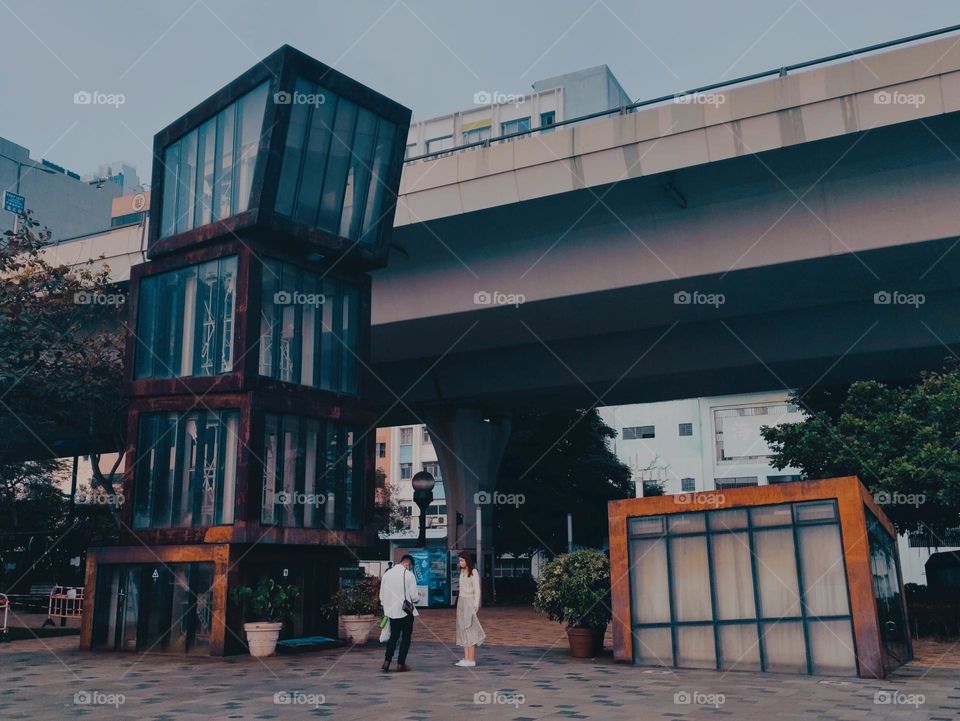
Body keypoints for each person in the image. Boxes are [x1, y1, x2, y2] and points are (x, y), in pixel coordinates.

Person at [379, 554, 420, 672]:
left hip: (391, 611)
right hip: (405, 612)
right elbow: (415, 597)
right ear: (408, 564)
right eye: (410, 567)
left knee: (393, 636)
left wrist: (386, 607)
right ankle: (400, 664)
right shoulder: (409, 575)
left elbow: (381, 595)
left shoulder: (387, 574)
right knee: (406, 638)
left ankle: (387, 661)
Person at [455, 552, 485, 667]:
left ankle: (471, 659)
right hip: (462, 601)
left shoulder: (474, 572)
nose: (460, 563)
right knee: (462, 629)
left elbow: (477, 589)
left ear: (467, 560)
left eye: (462, 560)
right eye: (459, 561)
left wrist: (476, 604)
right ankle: (466, 658)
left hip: (470, 601)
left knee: (470, 629)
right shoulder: (462, 572)